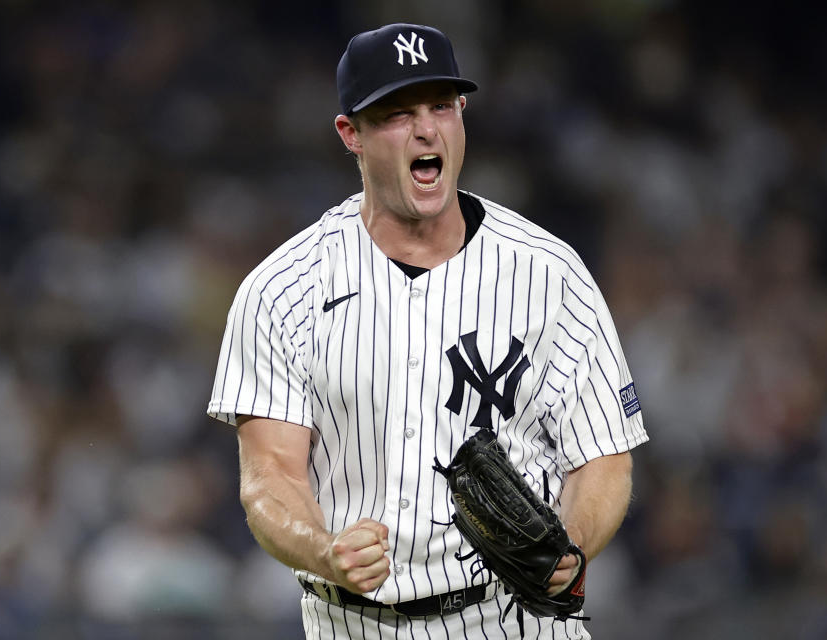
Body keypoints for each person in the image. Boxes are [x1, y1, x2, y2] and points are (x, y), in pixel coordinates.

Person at [207, 22, 648, 639]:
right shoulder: (282, 288)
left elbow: (603, 457)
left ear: (462, 113)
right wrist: (324, 548)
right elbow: (270, 475)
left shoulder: (549, 272)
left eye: (441, 105)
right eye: (395, 112)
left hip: (512, 619)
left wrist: (571, 547)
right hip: (351, 623)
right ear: (350, 134)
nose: (425, 128)